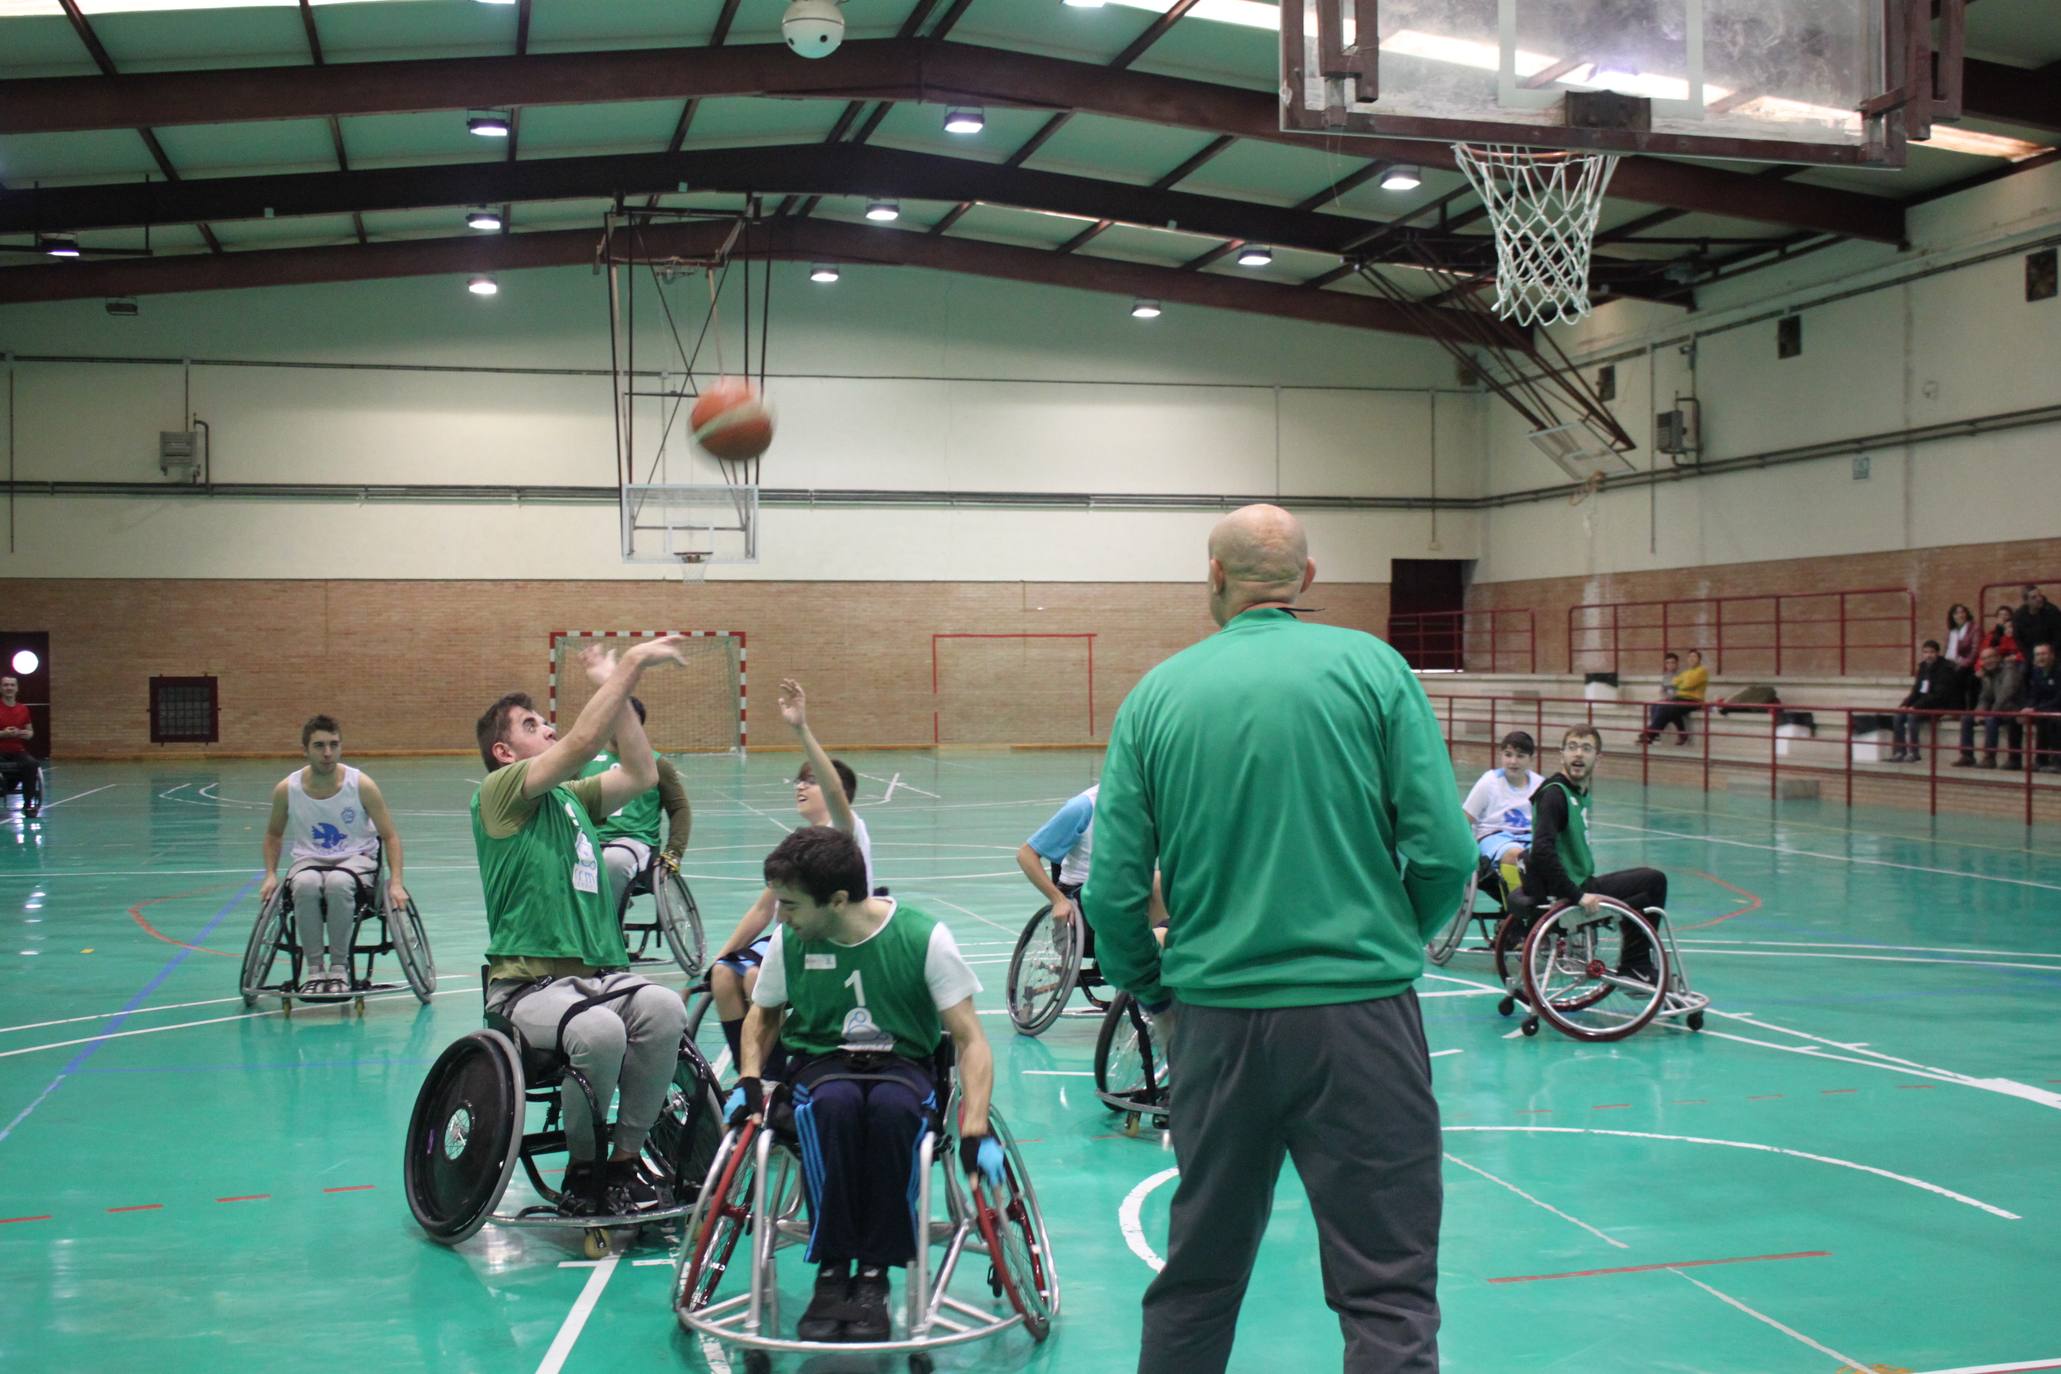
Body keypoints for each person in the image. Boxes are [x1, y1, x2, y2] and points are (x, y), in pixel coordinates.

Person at [1082, 503, 1474, 1374]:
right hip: (1361, 1017)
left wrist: (1150, 985)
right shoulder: (1374, 669)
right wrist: (1385, 939)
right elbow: (1445, 851)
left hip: (1215, 1021)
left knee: (1198, 1278)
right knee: (1388, 1286)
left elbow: (1110, 893)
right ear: (1309, 578)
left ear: (1212, 579)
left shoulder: (1156, 696)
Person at [729, 826, 993, 1344]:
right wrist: (749, 1078)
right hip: (822, 1063)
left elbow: (971, 1040)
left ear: (839, 900)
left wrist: (976, 1128)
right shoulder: (790, 941)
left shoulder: (922, 937)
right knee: (832, 1108)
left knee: (896, 1114)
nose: (779, 916)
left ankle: (874, 1273)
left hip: (904, 1064)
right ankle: (832, 1270)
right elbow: (762, 1016)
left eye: (791, 905)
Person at [471, 636, 692, 1218]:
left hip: (597, 976)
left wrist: (611, 686)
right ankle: (583, 1170)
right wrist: (633, 665)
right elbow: (585, 740)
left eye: (546, 721)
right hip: (526, 988)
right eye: (531, 724)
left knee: (666, 1009)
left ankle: (624, 1163)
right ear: (503, 752)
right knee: (598, 1033)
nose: (547, 729)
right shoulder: (498, 795)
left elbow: (641, 771)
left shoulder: (571, 800)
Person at [706, 678, 874, 1068]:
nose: (802, 786)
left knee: (755, 980)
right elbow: (764, 910)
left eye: (810, 780)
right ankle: (751, 1072)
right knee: (723, 977)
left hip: (835, 936)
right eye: (799, 779)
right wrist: (720, 955)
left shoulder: (848, 829)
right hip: (792, 936)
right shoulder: (798, 843)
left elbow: (833, 788)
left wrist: (800, 728)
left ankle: (778, 1076)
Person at [257, 715, 409, 996]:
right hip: (309, 861)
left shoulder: (361, 784)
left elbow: (390, 836)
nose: (327, 753)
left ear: (340, 747)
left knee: (338, 883)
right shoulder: (287, 789)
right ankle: (314, 971)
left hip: (357, 859)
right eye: (319, 746)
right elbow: (273, 835)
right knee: (304, 885)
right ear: (305, 750)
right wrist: (269, 875)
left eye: (333, 745)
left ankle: (339, 968)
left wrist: (396, 882)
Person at [1523, 725, 1671, 984]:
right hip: (1569, 892)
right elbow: (1542, 851)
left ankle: (1635, 962)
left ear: (1598, 758)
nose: (1578, 754)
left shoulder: (1576, 793)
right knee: (1654, 881)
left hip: (1575, 884)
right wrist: (1577, 895)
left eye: (1586, 748)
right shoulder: (1555, 795)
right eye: (1572, 747)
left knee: (1641, 890)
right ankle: (1635, 964)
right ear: (1561, 755)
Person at [577, 696, 692, 911]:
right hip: (589, 842)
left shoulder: (656, 763)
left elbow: (679, 809)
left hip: (635, 844)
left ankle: (606, 927)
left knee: (614, 861)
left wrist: (674, 851)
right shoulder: (584, 761)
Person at [1460, 732, 1542, 878]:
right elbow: (1465, 819)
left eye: (1520, 756)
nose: (1513, 761)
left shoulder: (1539, 784)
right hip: (1494, 836)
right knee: (1515, 855)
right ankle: (1515, 898)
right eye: (1508, 755)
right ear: (1501, 755)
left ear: (1531, 758)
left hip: (1529, 837)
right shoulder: (1489, 782)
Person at [1955, 645, 2028, 769]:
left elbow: (2006, 694)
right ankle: (1967, 755)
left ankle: (1990, 758)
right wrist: (1979, 712)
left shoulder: (2010, 670)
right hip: (1997, 710)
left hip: (2012, 708)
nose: (1987, 661)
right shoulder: (1987, 675)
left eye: (1990, 657)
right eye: (1984, 659)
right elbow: (1985, 697)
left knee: (1991, 719)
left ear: (1998, 657)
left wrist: (1991, 712)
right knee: (1967, 718)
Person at [1889, 640, 1957, 763]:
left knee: (1912, 716)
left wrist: (1915, 707)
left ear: (1937, 653)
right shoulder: (1923, 667)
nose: (1928, 655)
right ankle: (1900, 751)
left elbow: (1938, 694)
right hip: (1922, 705)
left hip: (1938, 706)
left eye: (1931, 652)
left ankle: (1914, 752)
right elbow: (1916, 691)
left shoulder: (1945, 669)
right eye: (1925, 652)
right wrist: (1905, 705)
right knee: (1898, 716)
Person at [1637, 649, 1707, 745]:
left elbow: (1687, 685)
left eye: (1694, 656)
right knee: (1658, 705)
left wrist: (1680, 685)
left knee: (1667, 707)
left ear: (1699, 659)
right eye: (1690, 656)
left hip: (1694, 701)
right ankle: (1674, 734)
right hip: (1681, 698)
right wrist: (1679, 684)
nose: (1691, 659)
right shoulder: (1687, 672)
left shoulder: (1701, 671)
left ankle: (1650, 733)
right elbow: (1675, 682)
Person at [0, 675, 40, 819]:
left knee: (31, 764)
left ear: (16, 688)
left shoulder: (23, 709)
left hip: (17, 750)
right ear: (1, 688)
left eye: (12, 685)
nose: (9, 688)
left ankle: (28, 804)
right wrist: (4, 733)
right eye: (5, 685)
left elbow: (30, 733)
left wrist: (22, 732)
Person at [2022, 642, 2060, 773]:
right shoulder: (2036, 671)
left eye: (2044, 654)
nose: (2040, 657)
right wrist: (2029, 707)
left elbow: (2059, 699)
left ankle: (2057, 761)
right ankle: (2020, 759)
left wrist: (2037, 709)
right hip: (2043, 709)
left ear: (2052, 655)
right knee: (2014, 720)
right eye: (2037, 654)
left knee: (2051, 720)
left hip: (2057, 709)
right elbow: (2034, 695)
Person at [2012, 586, 2061, 664]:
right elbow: (2019, 640)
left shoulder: (2052, 611)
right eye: (2034, 597)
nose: (2039, 599)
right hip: (2031, 656)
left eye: (2039, 595)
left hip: (2053, 653)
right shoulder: (2019, 616)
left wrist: (2050, 652)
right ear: (2026, 601)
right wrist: (2031, 657)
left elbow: (2058, 636)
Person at [1944, 603, 1980, 707]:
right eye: (1956, 613)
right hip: (1952, 663)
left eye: (1962, 612)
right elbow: (1946, 650)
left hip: (1969, 664)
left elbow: (1975, 651)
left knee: (1957, 676)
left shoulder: (1974, 628)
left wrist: (1962, 664)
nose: (1960, 615)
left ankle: (1959, 709)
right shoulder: (1951, 631)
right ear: (1952, 616)